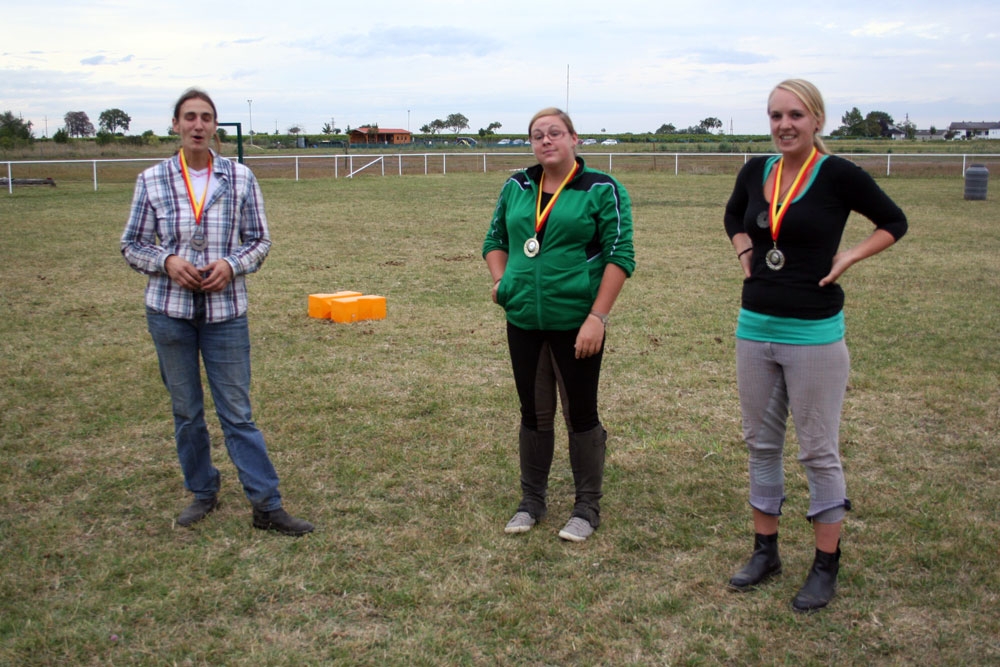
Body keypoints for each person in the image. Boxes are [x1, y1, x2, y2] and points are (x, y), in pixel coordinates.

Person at [723, 79, 907, 610]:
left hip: (814, 334)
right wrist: (743, 250)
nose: (784, 125)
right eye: (776, 115)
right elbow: (735, 215)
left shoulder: (838, 174)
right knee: (760, 442)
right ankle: (766, 551)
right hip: (754, 326)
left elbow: (894, 221)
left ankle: (826, 566)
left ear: (818, 120)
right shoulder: (757, 170)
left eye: (796, 115)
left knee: (817, 451)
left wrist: (849, 257)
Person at [121, 88, 313, 536]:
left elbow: (260, 240)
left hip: (226, 312)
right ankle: (203, 490)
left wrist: (231, 264)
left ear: (215, 126)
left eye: (206, 117)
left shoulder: (240, 178)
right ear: (175, 125)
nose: (198, 125)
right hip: (169, 311)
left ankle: (266, 504)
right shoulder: (152, 180)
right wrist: (166, 262)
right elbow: (131, 244)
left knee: (237, 412)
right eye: (189, 117)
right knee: (187, 412)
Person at [482, 108, 635, 542]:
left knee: (581, 413)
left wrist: (597, 317)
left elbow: (619, 256)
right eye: (537, 135)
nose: (545, 141)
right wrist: (501, 280)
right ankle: (531, 500)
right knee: (533, 411)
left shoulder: (601, 189)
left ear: (574, 139)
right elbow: (495, 240)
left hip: (577, 323)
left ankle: (587, 506)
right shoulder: (517, 186)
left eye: (554, 133)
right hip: (524, 320)